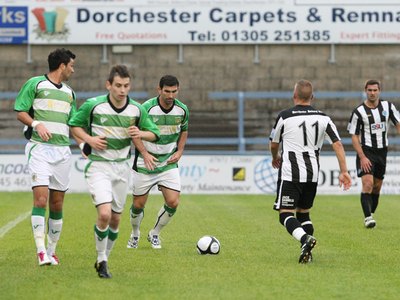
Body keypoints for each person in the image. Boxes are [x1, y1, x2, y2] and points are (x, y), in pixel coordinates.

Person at [68, 65, 160, 279]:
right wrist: (89, 139)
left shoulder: (136, 110)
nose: (122, 90)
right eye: (118, 85)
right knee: (104, 214)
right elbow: (74, 125)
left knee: (116, 221)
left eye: (126, 86)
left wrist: (141, 133)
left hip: (122, 167)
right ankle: (102, 259)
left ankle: (104, 260)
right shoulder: (94, 105)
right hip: (99, 166)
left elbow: (154, 134)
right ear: (108, 85)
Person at [269, 79, 352, 264]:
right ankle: (307, 252)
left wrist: (275, 156)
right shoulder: (324, 118)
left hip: (291, 173)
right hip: (313, 173)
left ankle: (305, 239)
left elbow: (274, 143)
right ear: (312, 97)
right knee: (304, 213)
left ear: (294, 96)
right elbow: (337, 144)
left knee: (285, 214)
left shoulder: (285, 116)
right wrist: (344, 171)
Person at [14, 48, 77, 266]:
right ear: (62, 65)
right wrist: (36, 124)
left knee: (57, 204)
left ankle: (52, 250)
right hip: (40, 149)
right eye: (71, 65)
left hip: (62, 152)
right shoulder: (35, 84)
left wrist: (85, 143)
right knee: (41, 199)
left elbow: (73, 123)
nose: (72, 70)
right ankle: (41, 251)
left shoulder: (70, 92)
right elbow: (20, 110)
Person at [127, 75, 189, 250]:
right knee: (138, 205)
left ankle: (155, 233)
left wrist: (180, 150)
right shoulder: (146, 108)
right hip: (145, 164)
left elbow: (184, 130)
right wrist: (145, 153)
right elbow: (135, 132)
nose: (170, 95)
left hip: (168, 163)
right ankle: (135, 233)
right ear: (159, 90)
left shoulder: (182, 110)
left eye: (174, 91)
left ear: (178, 90)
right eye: (167, 91)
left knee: (173, 202)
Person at [348, 79, 400, 228]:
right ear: (366, 91)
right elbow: (354, 136)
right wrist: (362, 157)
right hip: (366, 151)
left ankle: (371, 213)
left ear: (379, 91)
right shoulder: (359, 112)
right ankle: (368, 218)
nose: (372, 93)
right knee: (368, 183)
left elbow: (398, 124)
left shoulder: (388, 107)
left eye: (375, 90)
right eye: (369, 90)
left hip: (382, 151)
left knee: (377, 187)